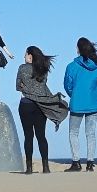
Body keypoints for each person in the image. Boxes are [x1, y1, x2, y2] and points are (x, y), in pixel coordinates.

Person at [16, 46, 68, 174]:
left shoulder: (22, 68)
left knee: (28, 136)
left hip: (26, 104)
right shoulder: (43, 69)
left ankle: (29, 168)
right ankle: (46, 167)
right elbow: (42, 86)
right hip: (41, 105)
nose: (23, 57)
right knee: (41, 136)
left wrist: (25, 87)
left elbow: (18, 86)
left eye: (25, 54)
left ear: (30, 56)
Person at [62, 38, 97, 172]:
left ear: (79, 49)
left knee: (73, 132)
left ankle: (76, 162)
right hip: (93, 103)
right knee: (90, 133)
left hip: (77, 103)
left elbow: (67, 85)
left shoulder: (71, 66)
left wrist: (74, 94)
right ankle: (90, 162)